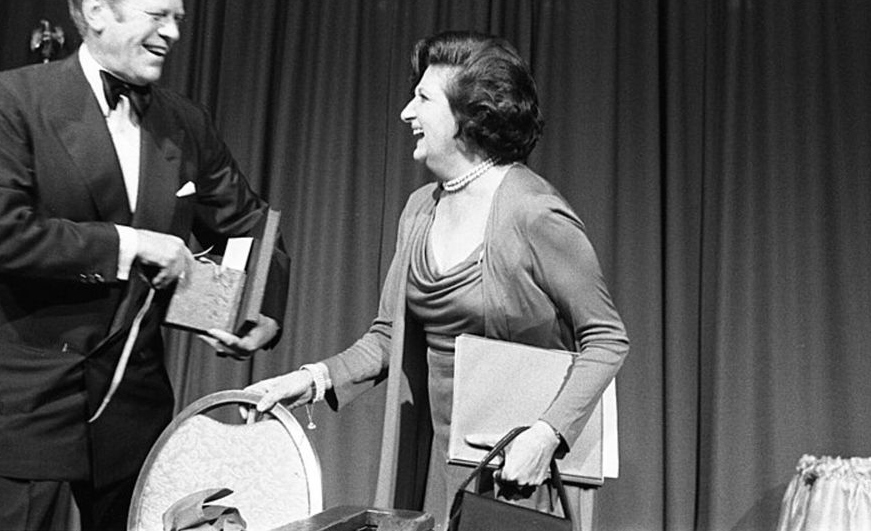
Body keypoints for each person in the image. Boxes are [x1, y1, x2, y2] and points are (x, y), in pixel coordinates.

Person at [0, 0, 291, 531]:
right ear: (96, 10)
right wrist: (131, 245)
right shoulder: (9, 101)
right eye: (158, 15)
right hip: (26, 396)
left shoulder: (184, 122)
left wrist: (259, 309)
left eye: (179, 18)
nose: (173, 33)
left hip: (132, 407)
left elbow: (251, 221)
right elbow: (1, 235)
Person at [248, 30, 628, 530]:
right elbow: (387, 336)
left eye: (424, 98)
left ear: (472, 117)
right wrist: (312, 379)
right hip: (436, 460)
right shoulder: (419, 211)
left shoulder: (534, 214)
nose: (407, 112)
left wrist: (545, 436)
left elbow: (606, 338)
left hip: (519, 470)